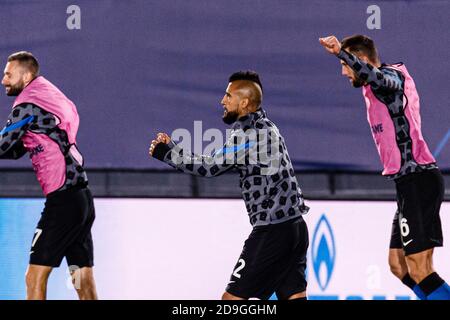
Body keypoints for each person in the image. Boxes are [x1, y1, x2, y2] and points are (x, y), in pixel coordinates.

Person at [149, 71, 310, 300]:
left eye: (228, 96)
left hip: (273, 231)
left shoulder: (248, 134)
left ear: (244, 102)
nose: (222, 101)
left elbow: (209, 167)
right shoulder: (268, 126)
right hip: (296, 228)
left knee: (231, 301)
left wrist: (167, 153)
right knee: (294, 297)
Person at [319, 34, 449, 300]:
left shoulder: (390, 80)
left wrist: (340, 54)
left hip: (419, 180)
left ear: (361, 60)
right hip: (407, 183)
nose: (344, 73)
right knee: (398, 265)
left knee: (420, 269)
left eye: (346, 66)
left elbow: (379, 78)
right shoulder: (376, 88)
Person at [0, 51, 98, 300]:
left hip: (63, 202)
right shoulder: (50, 95)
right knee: (81, 278)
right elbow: (17, 149)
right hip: (82, 199)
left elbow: (3, 145)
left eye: (8, 74)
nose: (4, 81)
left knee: (33, 277)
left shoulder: (25, 105)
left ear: (27, 74)